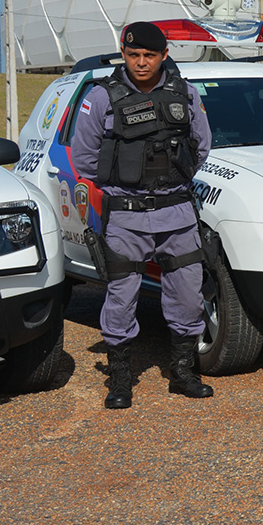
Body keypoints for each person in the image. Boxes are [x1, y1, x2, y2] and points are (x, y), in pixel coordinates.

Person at [72, 22, 214, 408]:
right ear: (123, 54)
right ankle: (120, 379)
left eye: (149, 55)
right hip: (126, 215)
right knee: (121, 298)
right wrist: (124, 183)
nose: (140, 62)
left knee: (188, 295)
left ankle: (183, 373)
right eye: (133, 55)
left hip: (176, 212)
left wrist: (169, 179)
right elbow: (84, 157)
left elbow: (201, 146)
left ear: (164, 55)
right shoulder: (101, 97)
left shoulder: (185, 93)